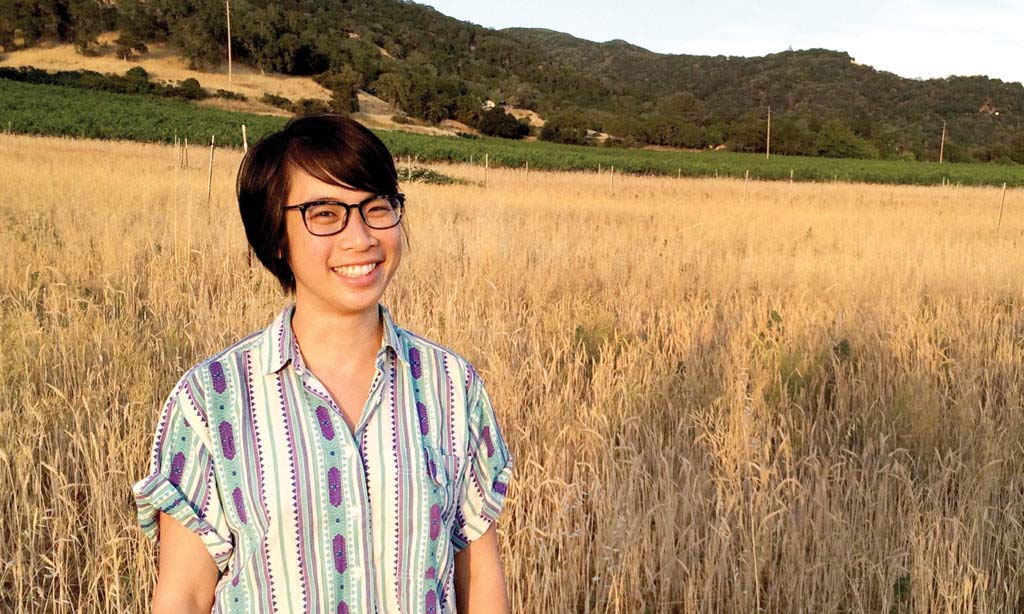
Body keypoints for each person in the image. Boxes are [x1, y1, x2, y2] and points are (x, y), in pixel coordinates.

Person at [131, 114, 514, 613]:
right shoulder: (211, 399)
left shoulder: (452, 387)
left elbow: (477, 573)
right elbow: (184, 593)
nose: (361, 238)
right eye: (326, 214)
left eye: (377, 206)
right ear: (275, 236)